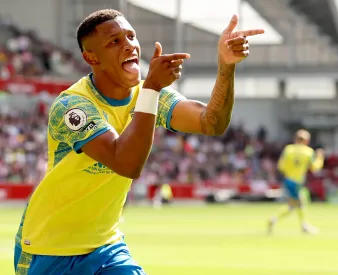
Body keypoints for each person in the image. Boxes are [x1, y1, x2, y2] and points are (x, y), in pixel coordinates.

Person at [14, 9, 264, 275]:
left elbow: (210, 122)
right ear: (91, 57)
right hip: (50, 248)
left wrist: (226, 66)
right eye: (115, 41)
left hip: (105, 246)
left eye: (131, 36)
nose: (130, 46)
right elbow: (126, 163)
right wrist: (152, 90)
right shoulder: (72, 105)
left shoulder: (148, 94)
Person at [268, 129, 324, 235]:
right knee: (298, 203)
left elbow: (281, 166)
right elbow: (315, 168)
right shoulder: (308, 152)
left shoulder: (288, 149)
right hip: (297, 181)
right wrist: (320, 157)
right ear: (307, 140)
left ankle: (277, 220)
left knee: (297, 203)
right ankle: (302, 225)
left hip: (288, 180)